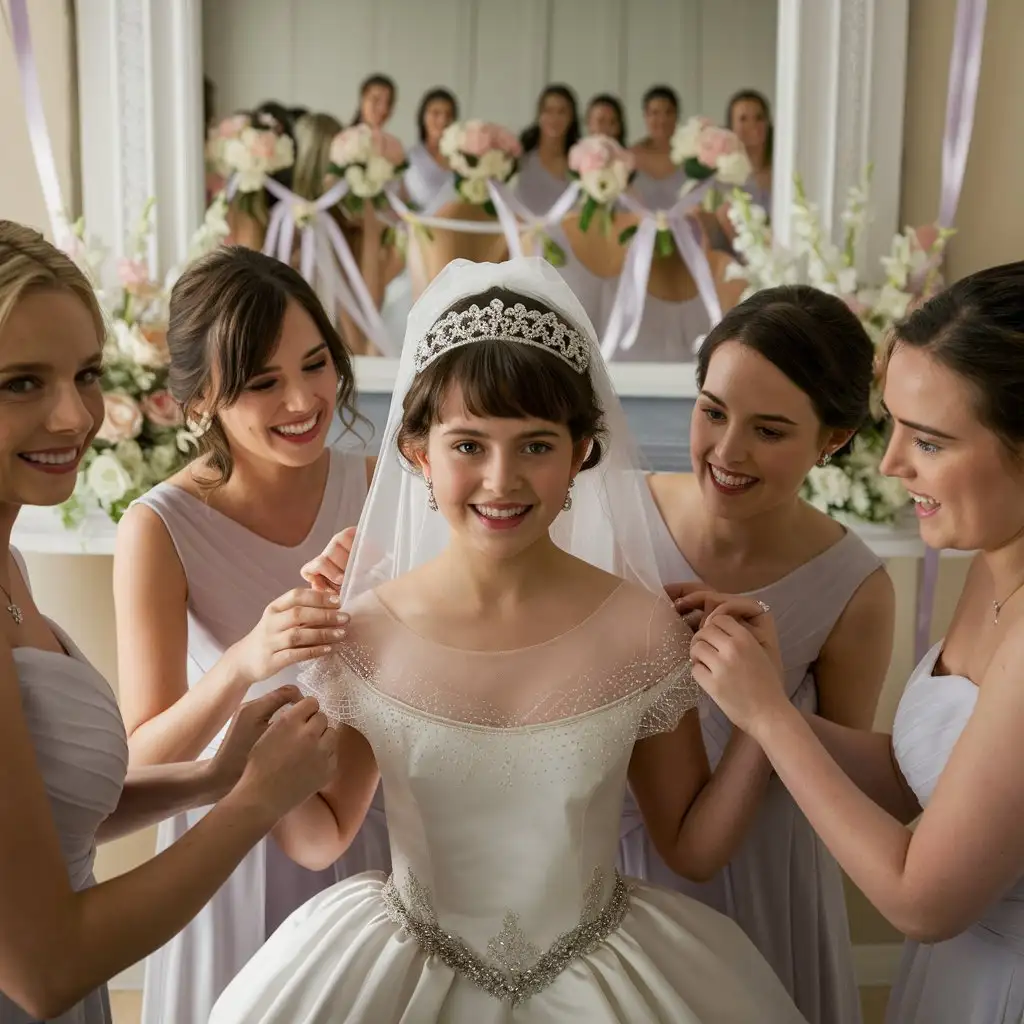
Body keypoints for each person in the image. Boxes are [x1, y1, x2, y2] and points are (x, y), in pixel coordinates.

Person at [207, 257, 806, 1023]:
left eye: (535, 445)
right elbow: (322, 837)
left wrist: (763, 716)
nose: (502, 479)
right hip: (404, 971)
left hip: (603, 971)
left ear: (580, 452)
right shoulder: (364, 632)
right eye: (468, 445)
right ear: (419, 452)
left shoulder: (640, 626)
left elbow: (690, 846)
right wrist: (260, 698)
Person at [0, 221, 339, 1024]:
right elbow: (44, 970)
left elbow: (48, 814)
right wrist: (252, 803)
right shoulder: (162, 526)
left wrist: (215, 777)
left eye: (85, 374)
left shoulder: (10, 565)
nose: (72, 417)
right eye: (20, 383)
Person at [689, 260, 1024, 1023]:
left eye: (930, 442)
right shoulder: (995, 562)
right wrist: (751, 688)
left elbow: (921, 899)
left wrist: (772, 717)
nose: (892, 461)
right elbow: (924, 780)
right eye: (895, 424)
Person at [113, 247, 390, 1024]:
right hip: (229, 860)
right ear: (200, 400)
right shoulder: (158, 529)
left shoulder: (379, 491)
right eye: (264, 382)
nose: (304, 401)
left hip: (368, 835)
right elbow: (139, 760)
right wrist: (244, 662)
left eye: (316, 365)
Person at [620, 285, 894, 1023]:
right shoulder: (613, 517)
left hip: (761, 880)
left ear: (831, 440)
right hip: (612, 871)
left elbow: (838, 789)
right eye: (713, 412)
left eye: (769, 432)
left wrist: (760, 698)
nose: (727, 452)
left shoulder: (853, 587)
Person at [515, 84, 580, 215]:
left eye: (561, 112)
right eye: (548, 111)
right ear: (539, 115)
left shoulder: (580, 162)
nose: (554, 118)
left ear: (571, 117)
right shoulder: (520, 158)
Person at [629, 85, 685, 211]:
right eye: (655, 113)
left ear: (676, 116)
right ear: (645, 116)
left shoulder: (692, 155)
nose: (662, 120)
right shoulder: (630, 156)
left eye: (668, 113)